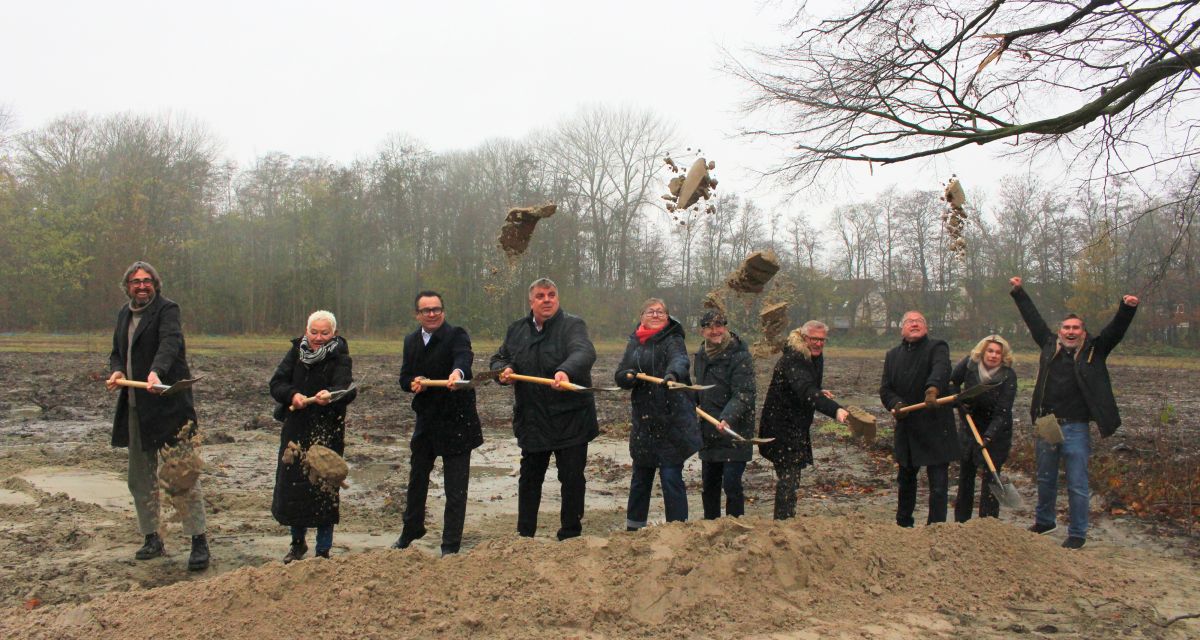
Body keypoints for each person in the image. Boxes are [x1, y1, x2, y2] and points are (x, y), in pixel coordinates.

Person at [1010, 276, 1138, 549]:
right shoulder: (1047, 345)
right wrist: (1019, 292)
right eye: (1066, 327)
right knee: (1045, 478)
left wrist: (1126, 309)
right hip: (1046, 423)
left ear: (1083, 331)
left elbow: (1115, 331)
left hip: (1076, 426)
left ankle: (1077, 533)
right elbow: (1032, 318)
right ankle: (1045, 521)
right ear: (1060, 331)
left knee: (1077, 482)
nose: (1070, 332)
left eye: (1075, 328)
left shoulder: (1095, 351)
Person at [105, 260, 210, 571]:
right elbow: (116, 351)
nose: (141, 285)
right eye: (136, 281)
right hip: (136, 409)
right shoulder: (124, 314)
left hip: (169, 408)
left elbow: (169, 343)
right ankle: (152, 537)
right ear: (127, 286)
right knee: (139, 478)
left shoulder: (167, 310)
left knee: (182, 476)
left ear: (155, 284)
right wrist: (116, 370)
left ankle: (198, 541)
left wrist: (156, 372)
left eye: (147, 281)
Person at [490, 278, 599, 540]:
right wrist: (502, 371)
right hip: (533, 419)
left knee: (572, 479)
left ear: (557, 298)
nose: (547, 299)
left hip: (571, 419)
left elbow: (584, 352)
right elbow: (500, 357)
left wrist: (565, 371)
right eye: (540, 296)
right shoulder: (517, 329)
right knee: (529, 480)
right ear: (531, 301)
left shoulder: (573, 325)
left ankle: (570, 533)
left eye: (551, 294)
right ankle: (525, 534)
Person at [393, 291, 483, 556]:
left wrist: (457, 373)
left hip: (457, 421)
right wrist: (412, 383)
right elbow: (403, 378)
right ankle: (411, 530)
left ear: (443, 311)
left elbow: (463, 358)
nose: (432, 314)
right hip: (427, 421)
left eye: (436, 309)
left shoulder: (457, 335)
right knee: (417, 480)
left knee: (455, 490)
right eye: (426, 310)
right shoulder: (411, 340)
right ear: (417, 314)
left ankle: (450, 545)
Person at [269, 309, 356, 562]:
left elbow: (347, 390)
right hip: (296, 432)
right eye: (314, 332)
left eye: (325, 333)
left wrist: (330, 395)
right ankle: (297, 545)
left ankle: (323, 550)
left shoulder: (341, 357)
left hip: (326, 433)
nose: (319, 337)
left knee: (324, 490)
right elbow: (277, 383)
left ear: (334, 334)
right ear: (307, 331)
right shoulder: (296, 352)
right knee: (295, 488)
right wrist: (292, 395)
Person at [614, 298, 702, 529]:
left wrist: (672, 375)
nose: (655, 315)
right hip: (644, 422)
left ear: (667, 316)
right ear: (641, 316)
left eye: (660, 312)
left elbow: (680, 360)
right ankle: (634, 527)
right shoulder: (635, 341)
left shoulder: (673, 338)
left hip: (672, 421)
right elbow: (621, 371)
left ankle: (677, 529)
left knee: (671, 477)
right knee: (641, 478)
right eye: (650, 311)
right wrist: (627, 376)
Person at [759, 321, 849, 520]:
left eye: (822, 340)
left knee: (792, 480)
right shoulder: (795, 358)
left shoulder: (813, 355)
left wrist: (818, 391)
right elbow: (805, 389)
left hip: (796, 426)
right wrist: (836, 410)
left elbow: (807, 385)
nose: (818, 344)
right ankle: (782, 525)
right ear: (803, 337)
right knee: (789, 480)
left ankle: (786, 520)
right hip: (780, 427)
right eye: (814, 339)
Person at [880, 311, 961, 527]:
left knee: (938, 485)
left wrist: (933, 389)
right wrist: (896, 404)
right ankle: (903, 523)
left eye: (919, 321)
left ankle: (936, 527)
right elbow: (885, 389)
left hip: (936, 425)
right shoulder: (892, 355)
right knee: (906, 480)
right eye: (909, 321)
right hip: (907, 427)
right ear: (902, 328)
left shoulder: (937, 347)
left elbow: (941, 369)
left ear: (926, 327)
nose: (914, 324)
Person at [694, 310, 756, 520]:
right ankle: (710, 526)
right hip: (709, 432)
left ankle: (735, 525)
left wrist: (728, 416)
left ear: (726, 327)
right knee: (709, 486)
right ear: (702, 331)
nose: (715, 331)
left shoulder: (740, 355)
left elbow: (745, 393)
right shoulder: (701, 355)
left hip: (734, 431)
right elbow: (701, 390)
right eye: (710, 327)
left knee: (731, 485)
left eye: (719, 325)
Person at [950, 334, 1018, 522]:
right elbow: (952, 383)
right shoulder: (969, 365)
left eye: (998, 352)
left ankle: (988, 525)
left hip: (996, 433)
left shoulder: (1007, 376)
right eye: (990, 351)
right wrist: (959, 401)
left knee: (990, 479)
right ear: (983, 351)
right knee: (966, 476)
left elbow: (1003, 412)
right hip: (970, 427)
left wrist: (988, 438)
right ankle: (961, 522)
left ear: (1003, 356)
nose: (994, 355)